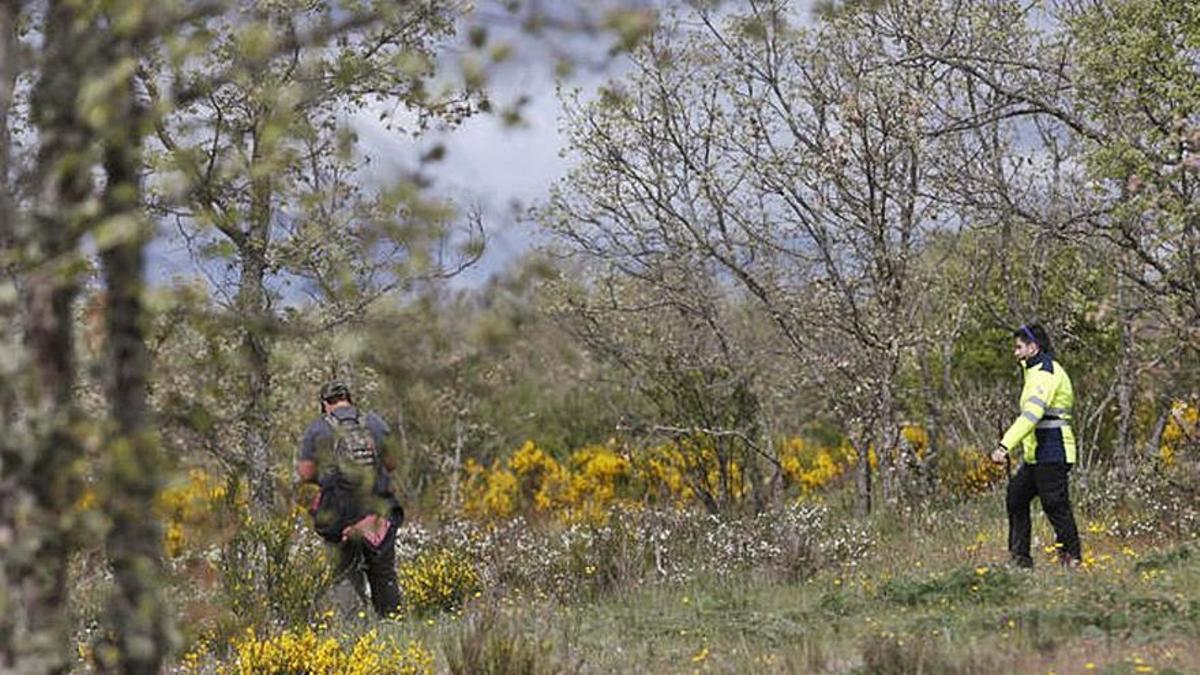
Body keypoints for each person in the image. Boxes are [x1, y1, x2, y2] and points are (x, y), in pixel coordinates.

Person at [297, 381, 403, 617]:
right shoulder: (375, 422)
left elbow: (304, 473)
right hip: (378, 512)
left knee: (346, 573)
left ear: (325, 404)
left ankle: (356, 636)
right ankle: (394, 628)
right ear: (349, 398)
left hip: (339, 515)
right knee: (383, 571)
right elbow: (393, 463)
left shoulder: (317, 429)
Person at [990, 323, 1082, 568]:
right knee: (1016, 497)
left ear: (1033, 347)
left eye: (1019, 347)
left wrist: (1004, 446)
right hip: (1037, 454)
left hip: (1054, 450)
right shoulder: (1033, 371)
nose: (1016, 352)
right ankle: (1020, 561)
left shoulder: (1045, 374)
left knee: (1055, 504)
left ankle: (1072, 558)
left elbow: (1031, 416)